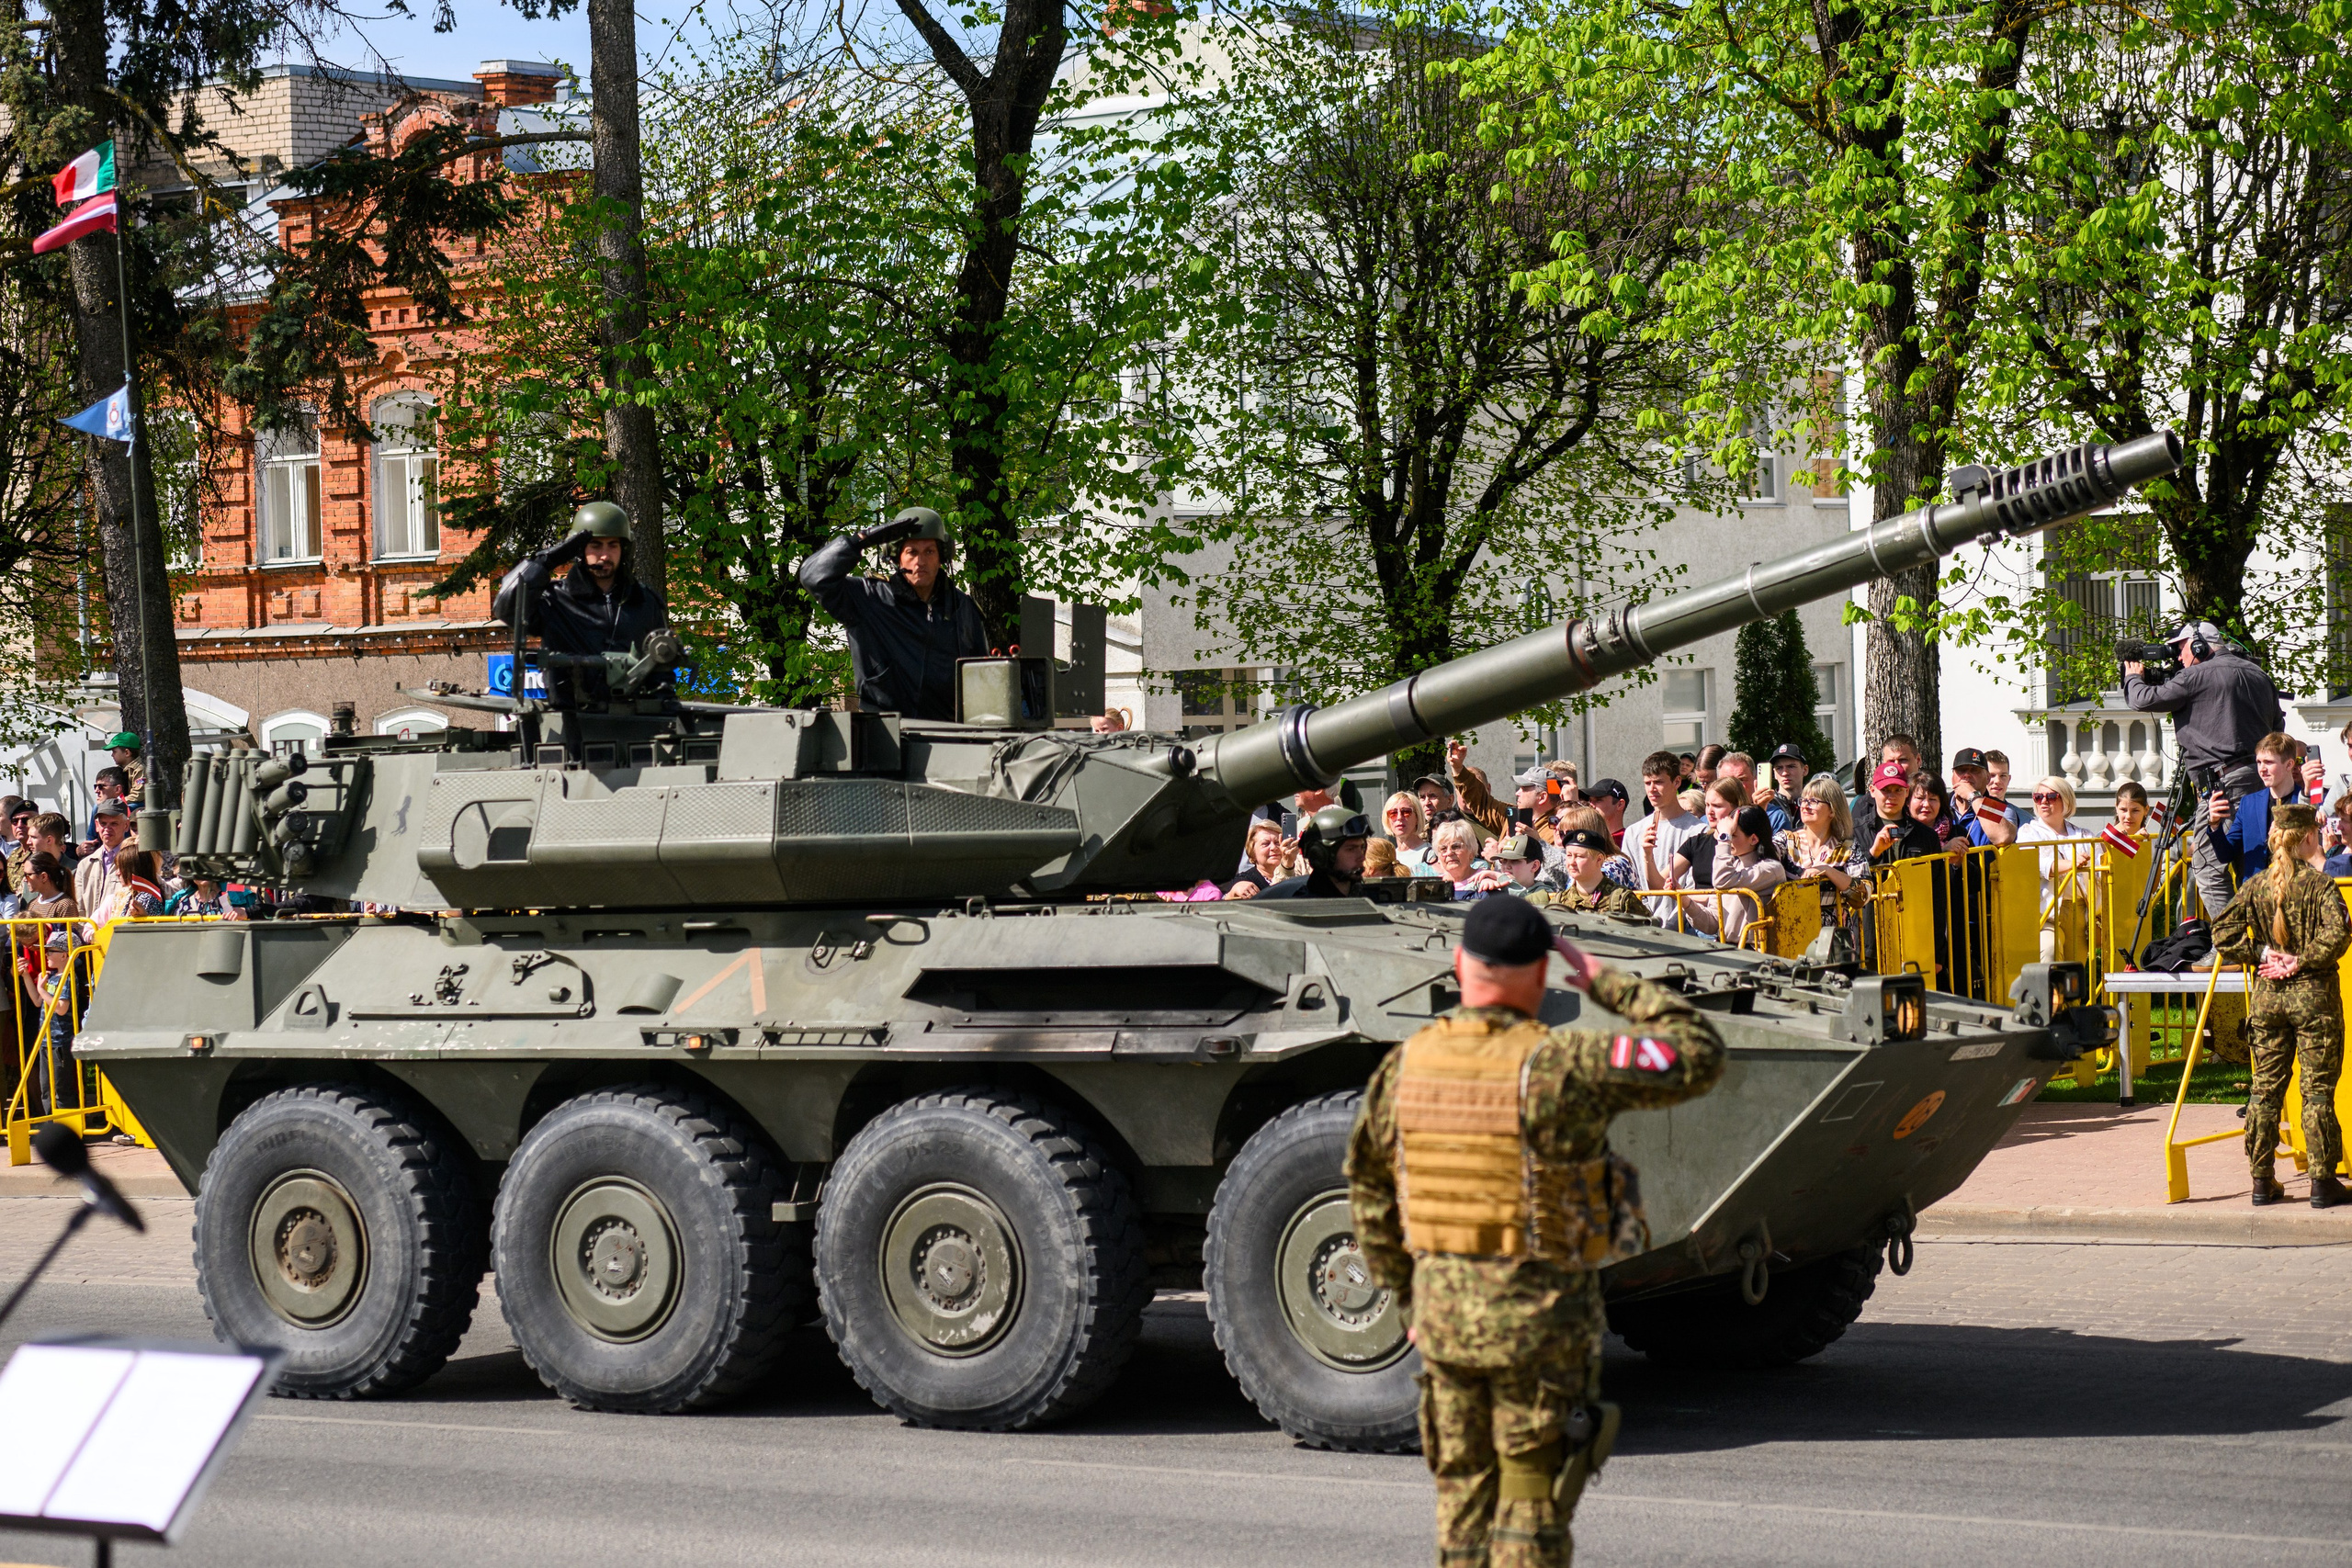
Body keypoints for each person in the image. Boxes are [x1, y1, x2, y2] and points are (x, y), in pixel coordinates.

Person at [1344, 898, 1725, 1568]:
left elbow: (1369, 1193)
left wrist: (1411, 1298)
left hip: (1445, 1319)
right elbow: (1697, 1051)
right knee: (1530, 1506)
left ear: (1460, 963)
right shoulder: (1563, 1064)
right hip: (1541, 1322)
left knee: (1461, 1502)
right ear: (1542, 972)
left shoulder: (1405, 1066)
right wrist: (1602, 978)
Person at [2211, 804, 2348, 1207]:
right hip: (2314, 1000)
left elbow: (2222, 932)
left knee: (2265, 1089)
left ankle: (2261, 1180)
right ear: (2309, 837)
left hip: (2268, 999)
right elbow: (2338, 935)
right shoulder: (2321, 886)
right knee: (2317, 1090)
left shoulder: (2256, 885)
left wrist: (2261, 954)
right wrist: (2300, 960)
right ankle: (2322, 1183)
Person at [2122, 620, 2288, 916]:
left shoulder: (2195, 676)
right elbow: (2278, 729)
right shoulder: (2259, 674)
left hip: (2223, 786)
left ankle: (2230, 946)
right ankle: (2260, 942)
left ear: (2200, 645)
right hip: (2259, 783)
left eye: (2181, 648)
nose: (2178, 658)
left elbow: (2143, 699)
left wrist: (2133, 676)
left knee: (2208, 866)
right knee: (2252, 864)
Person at [797, 506, 989, 722]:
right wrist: (859, 541)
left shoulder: (962, 608)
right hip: (884, 733)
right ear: (897, 557)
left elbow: (985, 679)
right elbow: (812, 576)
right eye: (912, 552)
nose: (921, 562)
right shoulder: (870, 598)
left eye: (929, 551)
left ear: (942, 556)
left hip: (947, 733)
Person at [492, 502, 671, 680]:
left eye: (612, 545)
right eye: (595, 545)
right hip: (569, 706)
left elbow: (662, 668)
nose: (605, 555)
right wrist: (546, 561)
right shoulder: (555, 600)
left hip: (634, 706)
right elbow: (504, 607)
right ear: (579, 549)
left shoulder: (644, 601)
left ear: (624, 549)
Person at [2207, 732, 2309, 884]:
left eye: (2268, 762)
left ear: (2289, 764)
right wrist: (2215, 825)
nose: (2262, 769)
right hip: (2256, 893)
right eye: (2259, 762)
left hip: (2296, 890)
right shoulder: (2249, 803)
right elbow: (2225, 855)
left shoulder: (2306, 801)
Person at [2018, 776, 2093, 960]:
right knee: (2049, 951)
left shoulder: (2083, 834)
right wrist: (2069, 864)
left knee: (2074, 970)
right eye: (2038, 797)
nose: (2043, 801)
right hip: (2046, 911)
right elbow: (2032, 864)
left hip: (2079, 909)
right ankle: (2046, 991)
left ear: (2065, 800)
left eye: (2051, 796)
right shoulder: (2028, 832)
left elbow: (2101, 863)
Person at [1629, 750, 1706, 922]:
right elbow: (1630, 887)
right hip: (1642, 929)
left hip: (1685, 929)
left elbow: (1694, 890)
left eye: (1658, 782)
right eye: (1647, 783)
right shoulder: (1633, 832)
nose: (1652, 789)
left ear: (1677, 781)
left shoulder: (1698, 831)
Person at [1693, 806, 1786, 946]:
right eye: (1726, 835)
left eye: (1733, 835)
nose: (1727, 840)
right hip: (1725, 947)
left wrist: (1724, 840)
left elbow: (1722, 880)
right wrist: (1685, 902)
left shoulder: (1771, 869)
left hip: (1754, 952)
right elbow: (1711, 924)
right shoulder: (1732, 868)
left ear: (1753, 839)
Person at [1258, 806, 1373, 899]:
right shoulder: (1301, 907)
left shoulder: (1372, 897)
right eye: (1351, 849)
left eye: (1362, 847)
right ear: (1321, 854)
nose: (1361, 857)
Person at [1532, 828, 1646, 915]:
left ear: (1599, 859)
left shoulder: (1621, 900)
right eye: (1569, 855)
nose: (1572, 862)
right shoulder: (1560, 901)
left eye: (1579, 856)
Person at [1858, 762, 1942, 864]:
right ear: (1872, 790)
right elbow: (1846, 875)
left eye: (1898, 790)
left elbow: (1937, 878)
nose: (1892, 796)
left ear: (1907, 791)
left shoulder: (1927, 836)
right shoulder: (1856, 831)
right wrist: (1873, 854)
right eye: (1885, 790)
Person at [1947, 748, 2022, 843]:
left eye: (1974, 771)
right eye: (1961, 770)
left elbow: (2003, 837)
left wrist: (1973, 796)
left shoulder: (2002, 809)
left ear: (1987, 777)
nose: (1967, 775)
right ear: (1953, 776)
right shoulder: (1940, 804)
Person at [74, 799, 131, 916]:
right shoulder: (85, 865)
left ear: (126, 825)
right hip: (90, 932)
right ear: (96, 826)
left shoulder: (134, 861)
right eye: (103, 823)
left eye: (114, 823)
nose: (107, 828)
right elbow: (79, 909)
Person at [1227, 819, 1295, 898]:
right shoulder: (1244, 880)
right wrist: (1232, 893)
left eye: (1277, 843)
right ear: (1253, 852)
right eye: (1265, 844)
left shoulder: (1297, 872)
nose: (1273, 847)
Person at [1425, 818, 1489, 900]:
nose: (1449, 853)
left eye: (1456, 847)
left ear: (1471, 852)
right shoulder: (1434, 886)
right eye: (1443, 848)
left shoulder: (1484, 880)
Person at [1381, 791, 1437, 877]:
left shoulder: (1430, 854)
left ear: (1417, 817)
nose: (1399, 818)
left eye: (1406, 812)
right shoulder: (1389, 857)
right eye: (1393, 813)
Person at [1761, 744, 1808, 834]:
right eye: (1779, 768)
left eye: (1791, 766)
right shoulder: (1767, 803)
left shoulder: (1815, 804)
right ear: (1774, 773)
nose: (1785, 773)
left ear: (1805, 770)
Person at [105, 730, 145, 798]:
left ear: (127, 753)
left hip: (137, 804)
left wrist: (118, 801)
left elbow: (138, 794)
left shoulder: (139, 769)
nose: (112, 755)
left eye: (114, 752)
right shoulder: (121, 769)